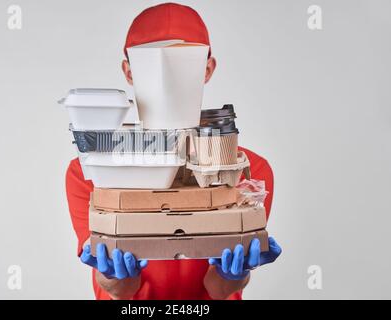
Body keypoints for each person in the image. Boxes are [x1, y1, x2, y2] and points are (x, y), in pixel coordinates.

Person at [66, 2, 282, 300]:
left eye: (184, 63)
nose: (167, 77)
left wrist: (234, 273)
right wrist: (113, 277)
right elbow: (120, 290)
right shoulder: (90, 170)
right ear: (128, 71)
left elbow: (218, 289)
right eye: (149, 63)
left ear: (207, 68)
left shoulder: (248, 171)